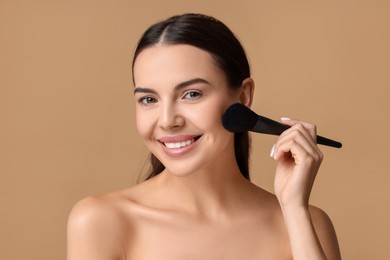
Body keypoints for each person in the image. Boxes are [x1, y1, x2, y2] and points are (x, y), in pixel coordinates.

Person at [67, 13, 341, 259]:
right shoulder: (102, 222)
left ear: (243, 96)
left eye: (191, 94)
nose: (167, 121)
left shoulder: (307, 223)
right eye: (149, 99)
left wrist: (294, 209)